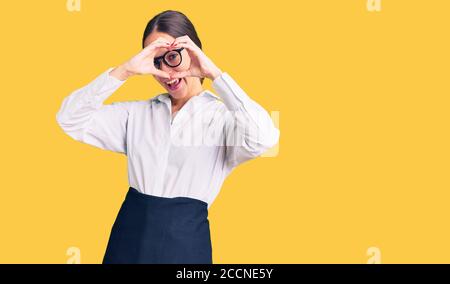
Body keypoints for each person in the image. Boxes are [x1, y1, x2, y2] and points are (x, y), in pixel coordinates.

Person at [56, 10, 280, 264]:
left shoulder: (223, 119)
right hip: (127, 240)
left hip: (185, 245)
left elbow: (264, 137)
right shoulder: (137, 114)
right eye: (156, 61)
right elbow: (69, 118)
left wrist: (215, 74)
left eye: (173, 57)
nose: (167, 72)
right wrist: (125, 71)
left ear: (193, 51)